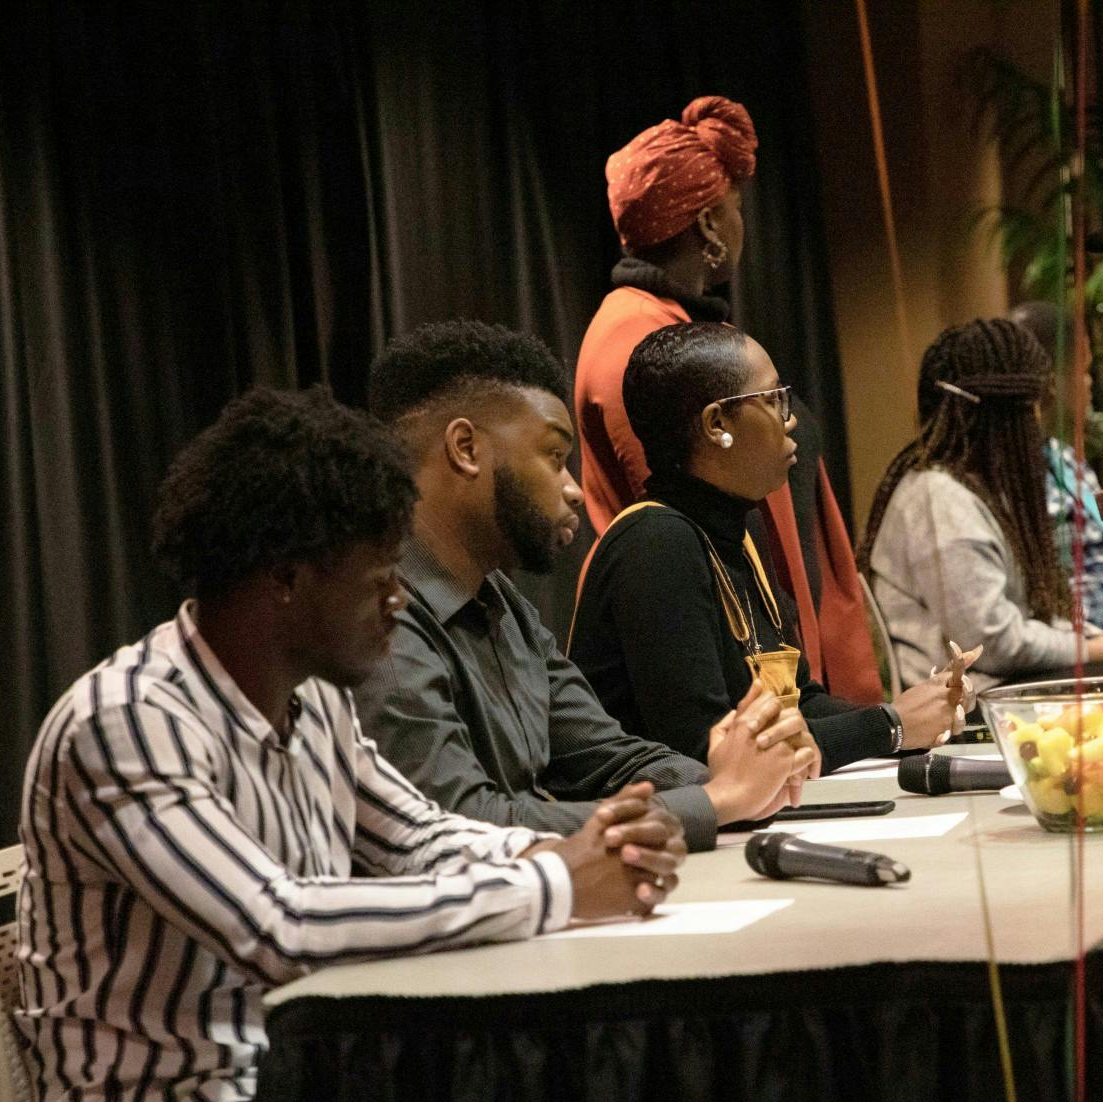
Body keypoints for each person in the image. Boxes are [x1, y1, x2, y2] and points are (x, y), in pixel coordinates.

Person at [14, 386, 686, 1102]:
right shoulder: (130, 720)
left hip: (292, 1082)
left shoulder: (314, 704)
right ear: (287, 579)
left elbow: (418, 836)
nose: (400, 602)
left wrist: (580, 847)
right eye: (378, 580)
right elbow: (280, 925)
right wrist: (556, 883)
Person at [355, 318, 812, 850]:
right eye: (553, 457)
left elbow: (608, 757)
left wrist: (747, 774)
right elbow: (464, 823)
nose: (573, 489)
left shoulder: (504, 606)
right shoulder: (378, 617)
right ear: (466, 448)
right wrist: (715, 800)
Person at [574, 94, 882, 705]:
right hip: (726, 675)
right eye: (736, 206)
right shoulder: (634, 340)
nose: (744, 221)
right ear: (710, 223)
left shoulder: (672, 325)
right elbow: (693, 521)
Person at [568, 322, 969, 773]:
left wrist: (918, 712)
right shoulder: (655, 544)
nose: (791, 417)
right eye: (774, 399)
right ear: (717, 423)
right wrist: (889, 726)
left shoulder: (738, 528)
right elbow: (707, 749)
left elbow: (801, 701)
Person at [860, 318, 1103, 693]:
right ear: (1008, 417)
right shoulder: (939, 499)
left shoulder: (971, 492)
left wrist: (1100, 642)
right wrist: (1100, 650)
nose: (1039, 423)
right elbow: (992, 642)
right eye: (1035, 408)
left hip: (999, 691)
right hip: (964, 715)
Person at [1007, 300, 1103, 638]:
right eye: (1084, 369)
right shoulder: (1010, 476)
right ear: (1051, 380)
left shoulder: (1065, 459)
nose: (1090, 383)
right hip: (1084, 660)